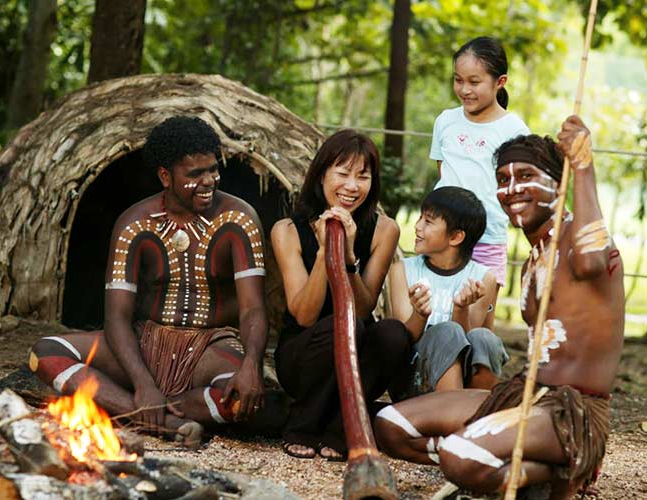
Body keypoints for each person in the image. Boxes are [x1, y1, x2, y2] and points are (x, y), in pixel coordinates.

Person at [374, 116, 624, 498]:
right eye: (503, 180)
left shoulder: (580, 243)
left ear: (559, 185)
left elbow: (592, 261)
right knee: (391, 424)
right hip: (525, 396)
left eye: (525, 175)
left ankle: (558, 469)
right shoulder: (531, 261)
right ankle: (522, 468)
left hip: (573, 413)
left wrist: (583, 165)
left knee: (459, 455)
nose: (512, 189)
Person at [29, 116, 276, 445]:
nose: (209, 181)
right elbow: (116, 318)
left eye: (213, 170)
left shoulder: (238, 220)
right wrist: (143, 382)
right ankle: (161, 420)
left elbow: (252, 309)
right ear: (165, 176)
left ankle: (143, 409)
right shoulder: (134, 224)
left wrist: (251, 365)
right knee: (45, 353)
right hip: (145, 342)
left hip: (210, 349)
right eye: (195, 174)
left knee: (252, 401)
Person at [272, 129, 411, 460]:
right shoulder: (287, 231)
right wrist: (324, 253)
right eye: (343, 173)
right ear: (322, 174)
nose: (352, 186)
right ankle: (302, 425)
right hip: (304, 355)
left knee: (392, 333)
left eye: (362, 177)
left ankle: (339, 429)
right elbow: (304, 314)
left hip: (356, 347)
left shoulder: (384, 229)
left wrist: (348, 258)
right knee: (341, 325)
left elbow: (362, 309)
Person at [430, 36, 531, 327]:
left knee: (477, 328)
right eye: (458, 80)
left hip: (487, 240)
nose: (464, 89)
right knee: (438, 319)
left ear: (500, 81)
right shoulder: (445, 122)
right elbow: (443, 173)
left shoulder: (514, 130)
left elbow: (516, 188)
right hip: (443, 237)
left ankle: (479, 372)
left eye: (474, 82)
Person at [388, 186, 508, 401]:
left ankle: (474, 413)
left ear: (455, 237)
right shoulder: (403, 270)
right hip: (414, 379)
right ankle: (453, 420)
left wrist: (460, 308)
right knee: (446, 332)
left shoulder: (483, 279)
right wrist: (420, 314)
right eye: (420, 218)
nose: (417, 226)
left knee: (484, 338)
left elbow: (470, 343)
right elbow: (403, 341)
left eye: (428, 221)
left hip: (462, 381)